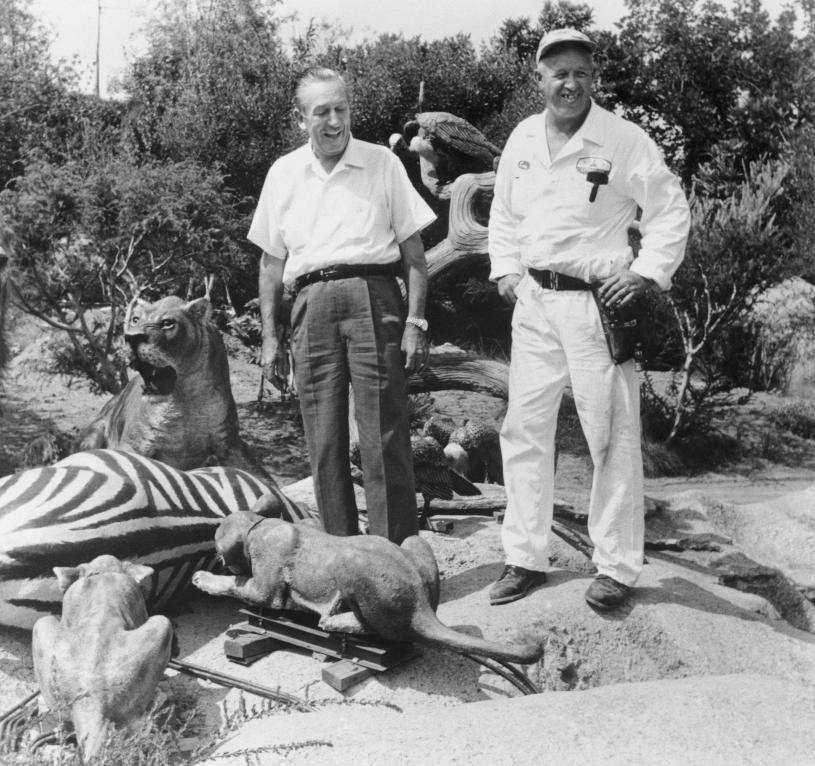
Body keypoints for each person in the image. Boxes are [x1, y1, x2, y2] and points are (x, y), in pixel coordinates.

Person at [486, 29, 690, 610]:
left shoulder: (622, 139)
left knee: (610, 434)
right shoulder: (523, 138)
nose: (568, 83)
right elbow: (503, 213)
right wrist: (505, 269)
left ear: (593, 77)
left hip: (597, 305)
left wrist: (646, 273)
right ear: (539, 78)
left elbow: (670, 210)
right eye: (557, 73)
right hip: (535, 302)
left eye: (579, 72)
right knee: (524, 430)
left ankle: (617, 567)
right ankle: (524, 557)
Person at [249, 67, 436, 545]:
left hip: (374, 297)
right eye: (321, 112)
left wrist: (416, 320)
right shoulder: (283, 173)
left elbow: (414, 254)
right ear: (301, 120)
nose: (334, 122)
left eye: (341, 109)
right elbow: (271, 265)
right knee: (324, 440)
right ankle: (339, 559)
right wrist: (271, 338)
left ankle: (397, 559)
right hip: (309, 306)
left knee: (384, 434)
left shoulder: (382, 164)